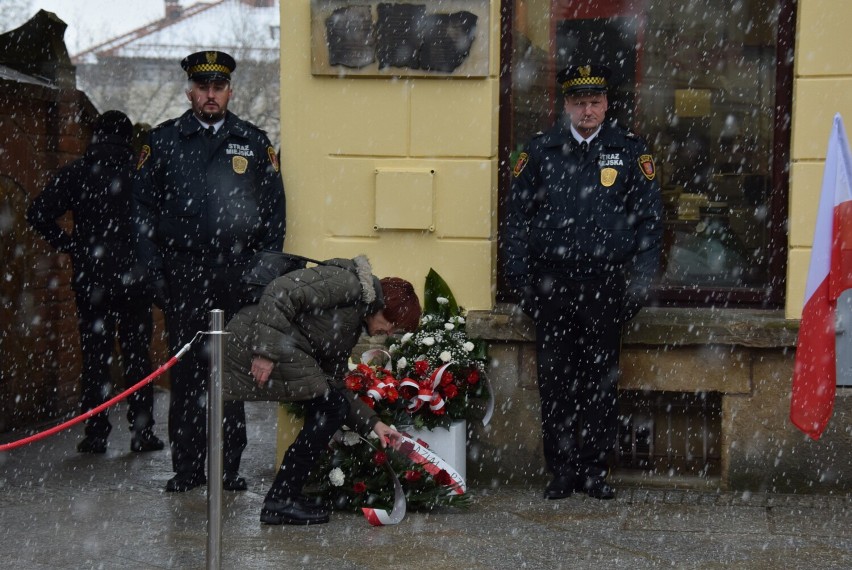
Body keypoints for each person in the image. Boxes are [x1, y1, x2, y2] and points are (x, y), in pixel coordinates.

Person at [502, 64, 662, 500]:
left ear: (607, 105)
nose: (587, 110)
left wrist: (639, 286)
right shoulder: (540, 152)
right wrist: (522, 284)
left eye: (594, 102)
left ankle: (594, 470)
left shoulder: (629, 151)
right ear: (566, 105)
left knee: (600, 382)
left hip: (606, 286)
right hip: (552, 287)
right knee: (555, 383)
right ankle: (561, 471)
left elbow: (650, 224)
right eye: (579, 103)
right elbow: (516, 222)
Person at [133, 50, 286, 492]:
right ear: (190, 91)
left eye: (218, 87)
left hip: (235, 275)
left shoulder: (254, 143)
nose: (210, 95)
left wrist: (261, 274)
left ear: (229, 91)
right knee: (186, 375)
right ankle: (186, 468)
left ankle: (228, 466)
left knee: (231, 373)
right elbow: (141, 212)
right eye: (203, 87)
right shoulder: (162, 142)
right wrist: (153, 271)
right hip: (183, 275)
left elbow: (274, 215)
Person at [223, 255, 421, 525]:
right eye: (393, 325)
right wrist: (265, 351)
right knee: (329, 407)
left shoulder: (353, 320)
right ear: (385, 307)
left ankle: (284, 496)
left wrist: (375, 425)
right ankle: (281, 499)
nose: (389, 332)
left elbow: (336, 382)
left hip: (281, 346)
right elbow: (279, 292)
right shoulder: (348, 284)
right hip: (254, 341)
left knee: (331, 405)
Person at [27, 110, 164, 454]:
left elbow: (38, 213)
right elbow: (164, 223)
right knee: (137, 357)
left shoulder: (78, 172)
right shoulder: (141, 175)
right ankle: (141, 432)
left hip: (93, 280)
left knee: (96, 358)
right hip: (136, 280)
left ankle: (96, 432)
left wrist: (72, 245)